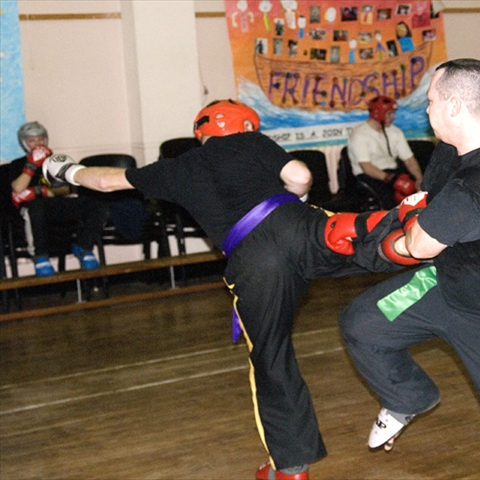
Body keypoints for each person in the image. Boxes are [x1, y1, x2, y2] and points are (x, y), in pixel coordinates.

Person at [42, 100, 404, 480]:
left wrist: (64, 169)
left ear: (202, 133)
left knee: (271, 358)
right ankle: (439, 246)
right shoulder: (251, 142)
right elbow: (299, 175)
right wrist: (296, 202)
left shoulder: (178, 167)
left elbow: (104, 181)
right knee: (374, 241)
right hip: (296, 228)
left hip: (254, 263)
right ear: (245, 124)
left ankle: (291, 469)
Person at [338, 59, 480, 480]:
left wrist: (404, 222)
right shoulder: (451, 152)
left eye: (430, 102)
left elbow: (420, 243)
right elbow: (426, 203)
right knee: (364, 323)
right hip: (447, 285)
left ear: (454, 108)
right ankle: (408, 397)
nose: (426, 111)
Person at [5, 122, 108, 276]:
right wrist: (31, 165)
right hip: (32, 212)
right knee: (35, 206)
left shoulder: (55, 161)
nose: (37, 143)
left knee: (96, 203)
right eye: (32, 140)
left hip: (56, 205)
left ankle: (83, 246)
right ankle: (40, 256)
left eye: (40, 139)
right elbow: (18, 188)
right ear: (24, 142)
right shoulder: (17, 164)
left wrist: (39, 191)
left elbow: (66, 188)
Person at [347, 95, 423, 209]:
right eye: (389, 114)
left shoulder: (395, 132)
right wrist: (390, 179)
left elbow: (409, 159)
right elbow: (366, 167)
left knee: (412, 194)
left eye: (393, 113)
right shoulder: (359, 134)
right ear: (378, 113)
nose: (393, 117)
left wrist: (419, 180)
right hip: (368, 176)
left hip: (390, 173)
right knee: (388, 198)